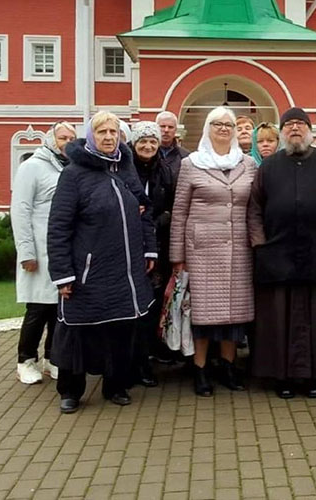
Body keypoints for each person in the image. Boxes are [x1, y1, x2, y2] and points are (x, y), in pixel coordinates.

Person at [47, 111, 157, 413]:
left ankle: (115, 385)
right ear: (91, 136)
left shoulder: (125, 166)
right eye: (102, 132)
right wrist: (63, 274)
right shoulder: (74, 174)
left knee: (120, 330)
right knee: (79, 331)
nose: (109, 137)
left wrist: (150, 250)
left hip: (126, 269)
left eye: (113, 131)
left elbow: (144, 208)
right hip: (89, 271)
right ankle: (70, 390)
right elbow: (59, 226)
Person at [248, 107, 316, 399]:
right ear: (282, 133)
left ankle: (314, 376)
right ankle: (283, 377)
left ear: (309, 131)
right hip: (277, 255)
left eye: (300, 124)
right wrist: (259, 243)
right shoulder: (268, 166)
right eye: (289, 125)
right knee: (279, 318)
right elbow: (254, 208)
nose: (295, 129)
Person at [170, 106, 256, 397]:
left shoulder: (248, 164)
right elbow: (180, 211)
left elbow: (255, 209)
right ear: (208, 128)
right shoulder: (192, 163)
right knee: (203, 315)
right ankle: (200, 368)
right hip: (201, 251)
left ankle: (229, 367)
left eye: (229, 124)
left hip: (239, 249)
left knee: (235, 314)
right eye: (217, 123)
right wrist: (177, 256)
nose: (223, 128)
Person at [11, 121, 76, 384]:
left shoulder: (68, 168)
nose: (67, 142)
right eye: (62, 137)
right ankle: (25, 360)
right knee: (37, 309)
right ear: (50, 139)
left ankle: (52, 358)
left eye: (72, 138)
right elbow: (20, 210)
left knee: (58, 309)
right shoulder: (31, 167)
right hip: (38, 250)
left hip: (61, 251)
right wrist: (26, 252)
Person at [129, 121, 177, 387]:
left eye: (152, 142)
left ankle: (147, 358)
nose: (147, 146)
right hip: (128, 247)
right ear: (134, 144)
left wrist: (155, 221)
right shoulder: (124, 170)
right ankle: (130, 361)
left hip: (158, 248)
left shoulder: (165, 171)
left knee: (153, 305)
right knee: (131, 306)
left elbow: (172, 206)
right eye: (142, 142)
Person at [156, 111, 189, 177]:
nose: (166, 130)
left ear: (176, 130)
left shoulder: (185, 157)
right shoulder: (147, 153)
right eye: (162, 126)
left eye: (170, 127)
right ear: (156, 127)